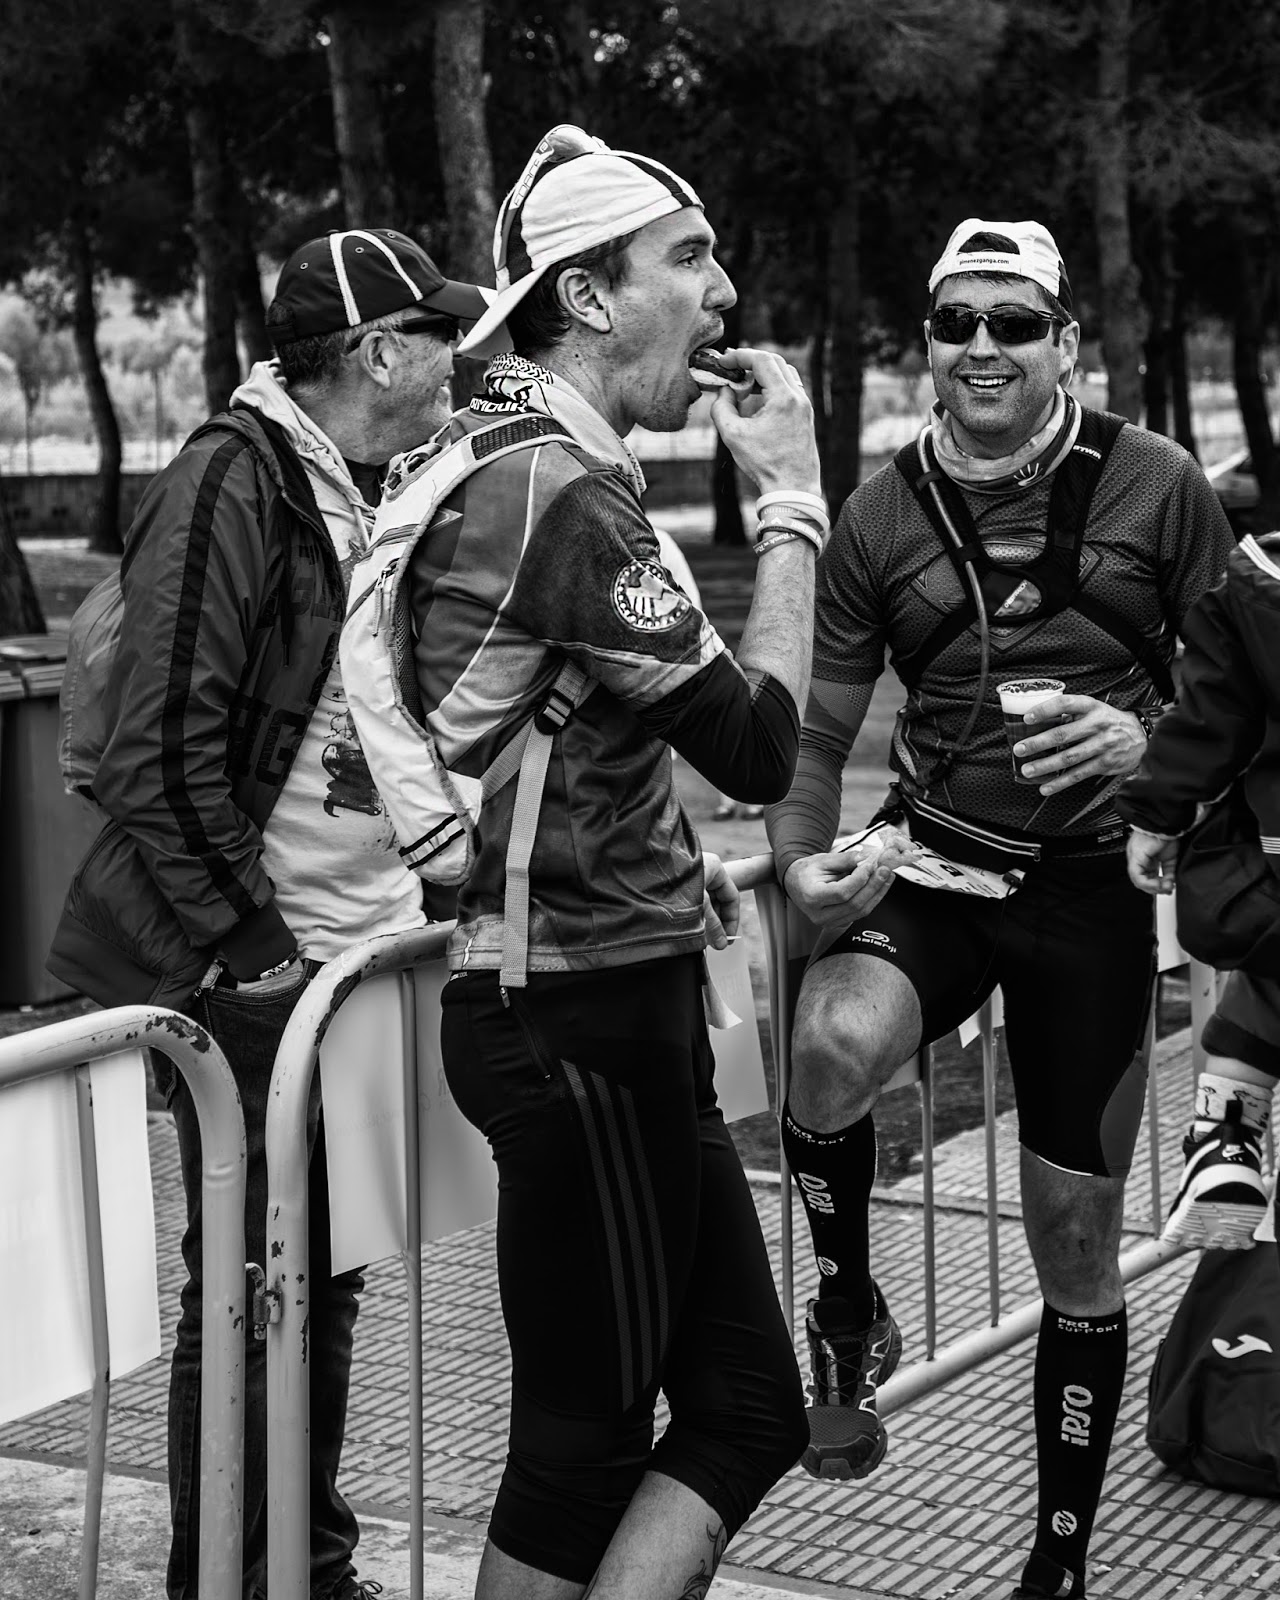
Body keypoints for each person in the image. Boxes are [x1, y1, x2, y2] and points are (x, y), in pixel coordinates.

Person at [764, 218, 1235, 1600]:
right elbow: (816, 735)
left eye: (1013, 323)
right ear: (928, 343)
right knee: (827, 1044)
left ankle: (1059, 1563)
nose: (981, 347)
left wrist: (1147, 745)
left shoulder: (1160, 486)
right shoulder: (879, 514)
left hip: (1089, 893)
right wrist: (795, 863)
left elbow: (1243, 699)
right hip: (940, 863)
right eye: (954, 322)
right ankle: (846, 1303)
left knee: (1075, 1241)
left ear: (1064, 344)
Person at [395, 124, 820, 1599]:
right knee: (577, 1456)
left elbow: (563, 735)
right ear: (584, 295)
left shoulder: (519, 456)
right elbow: (755, 744)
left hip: (603, 990)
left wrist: (658, 855)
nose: (724, 295)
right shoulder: (560, 492)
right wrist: (791, 502)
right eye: (687, 260)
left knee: (750, 1407)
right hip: (572, 1014)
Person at [48, 228, 488, 1600]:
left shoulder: (363, 482)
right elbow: (158, 756)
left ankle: (304, 1562)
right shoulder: (234, 480)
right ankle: (235, 1578)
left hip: (349, 955)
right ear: (379, 351)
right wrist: (256, 954)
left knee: (322, 1272)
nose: (458, 362)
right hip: (261, 969)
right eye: (439, 336)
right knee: (250, 1292)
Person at [1119, 530, 1280, 1252]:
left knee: (1270, 981)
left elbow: (1211, 715)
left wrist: (1157, 815)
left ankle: (1224, 1141)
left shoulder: (1256, 583)